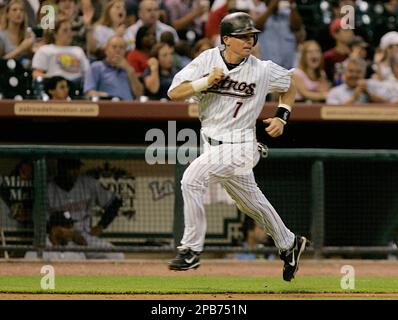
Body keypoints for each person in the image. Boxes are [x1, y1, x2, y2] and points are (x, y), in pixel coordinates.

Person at [167, 12, 308, 282]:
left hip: (241, 145)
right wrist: (206, 81)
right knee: (252, 203)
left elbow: (290, 85)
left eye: (252, 36)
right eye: (242, 36)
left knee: (191, 179)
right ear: (226, 39)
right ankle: (289, 243)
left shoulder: (262, 69)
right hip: (212, 144)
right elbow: (175, 91)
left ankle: (191, 249)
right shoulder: (207, 59)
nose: (249, 40)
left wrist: (282, 115)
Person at [47, 158, 124, 259]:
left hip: (85, 236)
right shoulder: (47, 190)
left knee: (117, 255)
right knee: (74, 259)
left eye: (77, 168)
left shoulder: (88, 183)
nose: (76, 172)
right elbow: (43, 224)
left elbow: (115, 202)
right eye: (71, 169)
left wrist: (101, 225)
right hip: (61, 239)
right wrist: (68, 234)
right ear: (61, 169)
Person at [84, 35, 143, 100]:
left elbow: (139, 94)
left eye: (121, 48)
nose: (118, 50)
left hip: (128, 107)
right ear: (106, 50)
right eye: (114, 47)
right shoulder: (96, 67)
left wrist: (129, 70)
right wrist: (106, 97)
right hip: (107, 106)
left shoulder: (129, 69)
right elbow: (89, 92)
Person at [326, 57, 391, 105]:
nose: (354, 75)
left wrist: (368, 93)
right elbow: (334, 113)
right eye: (351, 71)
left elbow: (390, 104)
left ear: (364, 73)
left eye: (358, 72)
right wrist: (354, 98)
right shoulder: (335, 92)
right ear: (344, 72)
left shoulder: (375, 85)